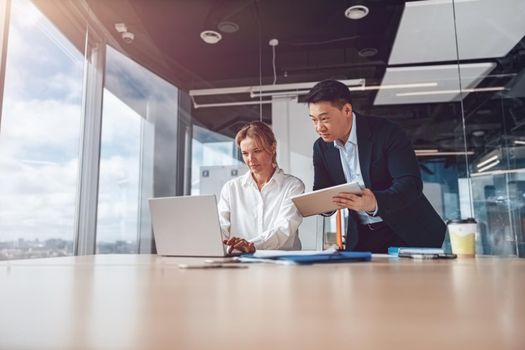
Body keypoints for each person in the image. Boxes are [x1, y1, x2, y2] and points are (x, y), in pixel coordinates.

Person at [303, 80, 445, 253]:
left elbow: (411, 184)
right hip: (364, 236)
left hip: (406, 230)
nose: (319, 127)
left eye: (324, 119)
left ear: (347, 110)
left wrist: (374, 202)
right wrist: (320, 205)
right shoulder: (321, 148)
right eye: (313, 120)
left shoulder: (386, 132)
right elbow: (322, 189)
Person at [218, 121, 305, 254]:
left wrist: (252, 245)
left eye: (257, 151)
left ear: (273, 148)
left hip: (282, 265)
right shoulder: (231, 189)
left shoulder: (293, 186)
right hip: (240, 263)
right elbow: (220, 229)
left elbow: (283, 229)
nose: (251, 159)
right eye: (245, 153)